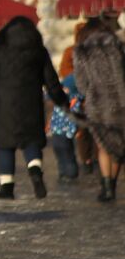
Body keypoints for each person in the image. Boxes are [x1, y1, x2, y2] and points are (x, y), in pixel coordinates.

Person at [0, 17, 69, 199]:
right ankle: (35, 170)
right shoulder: (38, 51)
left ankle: (7, 187)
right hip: (31, 102)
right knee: (31, 141)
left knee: (5, 144)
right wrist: (61, 99)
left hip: (3, 103)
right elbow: (50, 80)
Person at [70, 18, 125, 202]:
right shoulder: (116, 45)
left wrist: (88, 94)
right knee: (117, 145)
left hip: (97, 102)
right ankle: (112, 185)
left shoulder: (82, 50)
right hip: (120, 100)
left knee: (102, 145)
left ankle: (106, 185)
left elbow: (81, 82)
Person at [48, 40, 83, 184]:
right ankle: (66, 171)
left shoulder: (73, 78)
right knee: (62, 146)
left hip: (66, 117)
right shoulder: (72, 78)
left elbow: (57, 93)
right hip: (62, 117)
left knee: (62, 146)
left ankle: (69, 172)